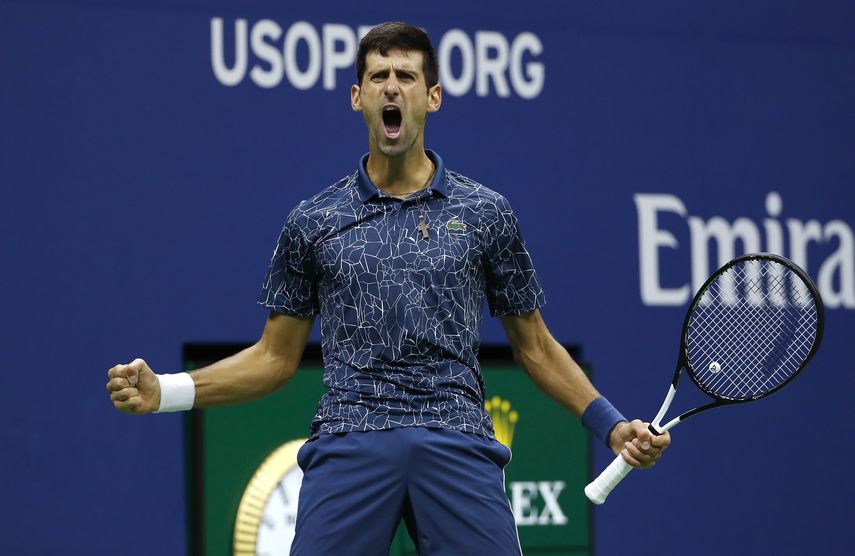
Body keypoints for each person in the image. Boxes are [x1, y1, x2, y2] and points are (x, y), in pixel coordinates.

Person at [106, 21, 670, 556]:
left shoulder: (485, 213)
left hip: (455, 434)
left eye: (406, 76)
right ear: (358, 98)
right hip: (351, 435)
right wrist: (167, 391)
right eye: (379, 77)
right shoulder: (314, 220)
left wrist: (613, 425)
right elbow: (273, 359)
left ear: (433, 97)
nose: (391, 88)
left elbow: (536, 347)